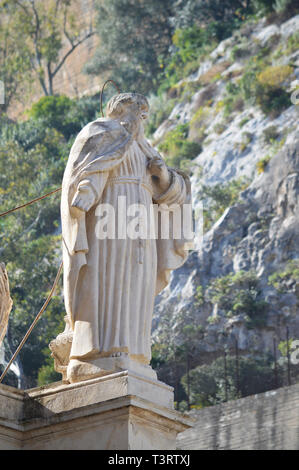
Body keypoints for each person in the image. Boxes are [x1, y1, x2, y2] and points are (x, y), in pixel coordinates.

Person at [53, 92, 192, 383]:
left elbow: (174, 193)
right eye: (137, 110)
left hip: (141, 224)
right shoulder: (100, 132)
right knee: (108, 279)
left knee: (136, 284)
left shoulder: (146, 150)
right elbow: (88, 170)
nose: (141, 117)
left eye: (144, 113)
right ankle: (99, 353)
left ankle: (135, 353)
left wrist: (162, 175)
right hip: (109, 217)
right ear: (120, 108)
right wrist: (85, 195)